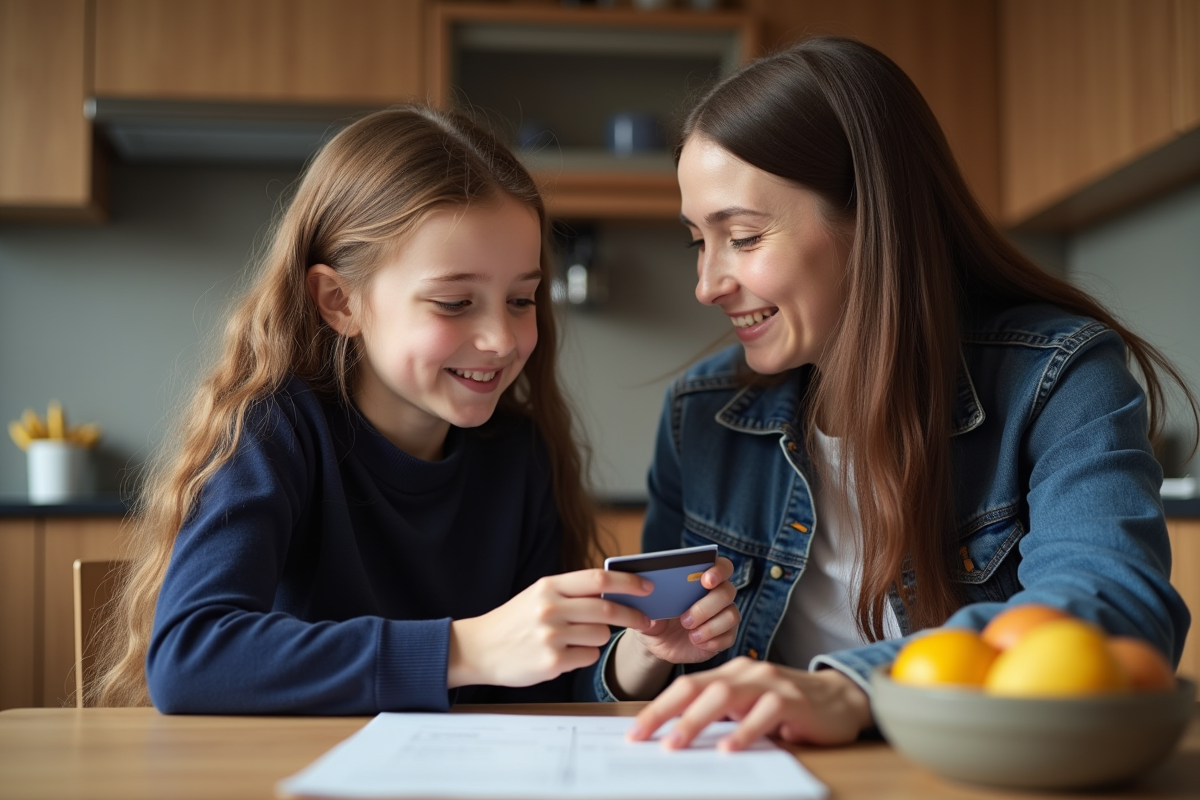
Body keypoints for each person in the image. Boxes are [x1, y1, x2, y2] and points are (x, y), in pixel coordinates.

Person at [584, 36, 1197, 749]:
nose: (706, 284)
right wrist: (643, 661)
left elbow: (1111, 608)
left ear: (873, 221)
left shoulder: (1059, 378)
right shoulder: (702, 414)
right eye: (699, 241)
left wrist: (848, 686)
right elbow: (646, 669)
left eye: (743, 237)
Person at [88, 105, 740, 713]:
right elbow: (190, 658)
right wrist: (468, 648)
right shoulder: (275, 431)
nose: (503, 338)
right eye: (455, 303)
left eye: (521, 300)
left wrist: (641, 653)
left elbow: (549, 678)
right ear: (339, 302)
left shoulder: (518, 454)